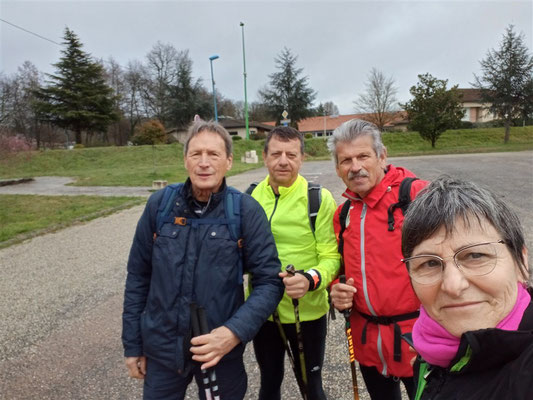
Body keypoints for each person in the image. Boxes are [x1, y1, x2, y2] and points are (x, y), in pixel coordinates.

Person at [122, 120, 284, 400]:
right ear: (185, 160)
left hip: (220, 353)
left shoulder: (245, 211)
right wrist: (133, 345)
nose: (204, 163)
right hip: (162, 351)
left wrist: (233, 333)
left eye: (214, 154)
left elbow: (270, 281)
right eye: (196, 154)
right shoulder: (159, 206)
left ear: (229, 162)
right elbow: (139, 276)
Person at [401, 176, 532, 399]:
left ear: (521, 262)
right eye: (430, 263)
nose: (453, 285)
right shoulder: (432, 345)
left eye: (475, 255)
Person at [328, 119, 427, 400]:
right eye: (346, 160)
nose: (355, 166)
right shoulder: (344, 213)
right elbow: (342, 269)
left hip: (418, 341)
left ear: (382, 156)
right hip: (368, 342)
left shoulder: (417, 195)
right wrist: (336, 288)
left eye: (363, 156)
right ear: (337, 168)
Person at [248, 126, 340, 400]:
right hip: (263, 311)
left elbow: (332, 257)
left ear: (302, 158)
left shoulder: (318, 199)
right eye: (276, 153)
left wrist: (310, 279)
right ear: (265, 156)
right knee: (269, 382)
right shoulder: (250, 197)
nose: (283, 161)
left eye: (291, 154)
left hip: (308, 312)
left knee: (311, 386)